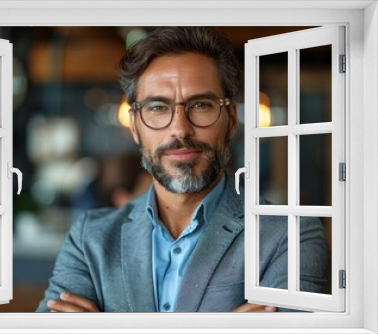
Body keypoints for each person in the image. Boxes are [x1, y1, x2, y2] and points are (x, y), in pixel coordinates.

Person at [36, 27, 329, 313]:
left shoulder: (289, 236)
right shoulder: (91, 238)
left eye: (200, 104)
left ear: (230, 119)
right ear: (135, 126)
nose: (179, 128)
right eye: (158, 107)